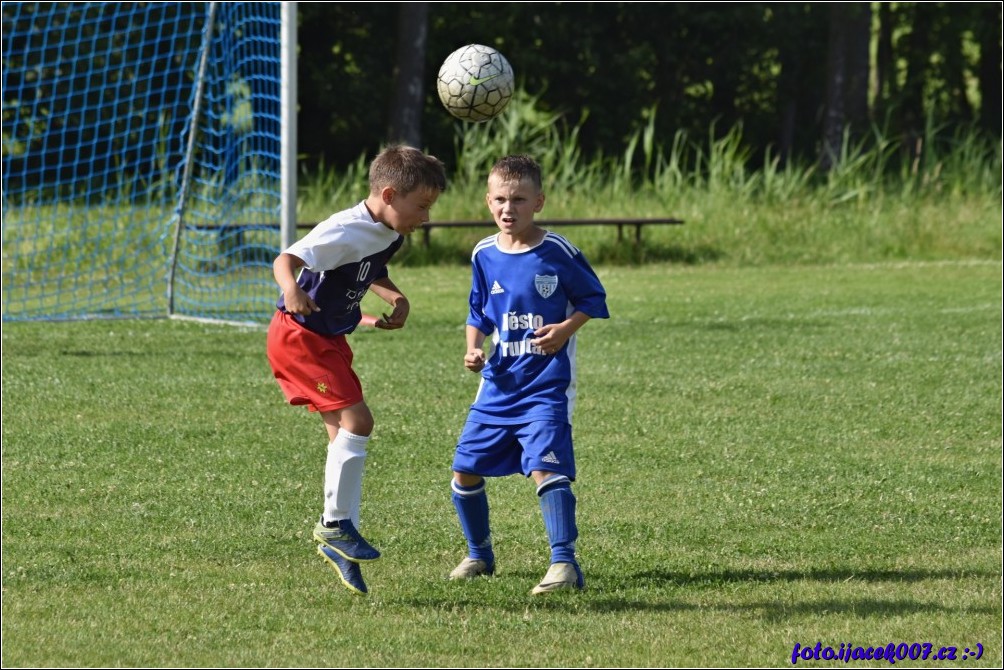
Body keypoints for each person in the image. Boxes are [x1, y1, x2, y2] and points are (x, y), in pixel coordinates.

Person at [266, 145, 447, 595]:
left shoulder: (390, 231)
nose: (426, 217)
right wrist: (292, 290)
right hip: (300, 336)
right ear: (388, 195)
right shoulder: (344, 228)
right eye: (421, 206)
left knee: (342, 440)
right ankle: (335, 525)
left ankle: (339, 542)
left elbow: (369, 268)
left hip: (328, 338)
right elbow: (285, 260)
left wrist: (395, 297)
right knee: (359, 421)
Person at [448, 154, 609, 595]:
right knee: (464, 470)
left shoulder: (557, 252)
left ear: (538, 202)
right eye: (500, 199)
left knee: (545, 467)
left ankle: (564, 564)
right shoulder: (484, 253)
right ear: (488, 201)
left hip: (546, 385)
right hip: (499, 384)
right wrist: (473, 348)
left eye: (519, 199)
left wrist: (564, 329)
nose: (508, 208)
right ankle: (479, 554)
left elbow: (593, 299)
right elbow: (478, 312)